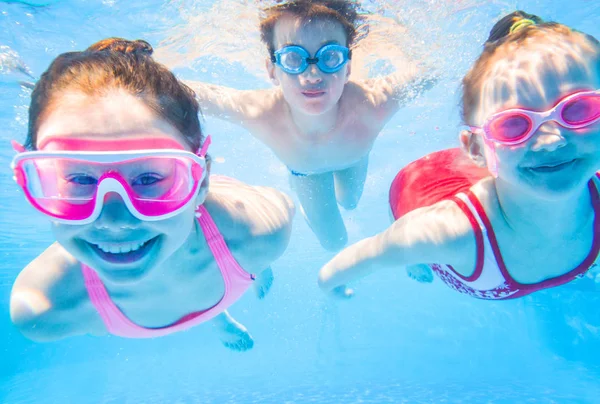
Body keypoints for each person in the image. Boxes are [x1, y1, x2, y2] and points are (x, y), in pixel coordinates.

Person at [9, 38, 295, 351]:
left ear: (200, 182)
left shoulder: (259, 234)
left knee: (248, 256)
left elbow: (282, 204)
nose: (114, 221)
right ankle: (218, 316)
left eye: (148, 177)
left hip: (225, 246)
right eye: (78, 178)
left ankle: (235, 290)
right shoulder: (44, 310)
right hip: (217, 260)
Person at [318, 11, 600, 300]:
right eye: (513, 124)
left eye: (579, 109)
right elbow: (343, 266)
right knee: (414, 254)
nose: (551, 141)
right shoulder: (443, 234)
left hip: (501, 166)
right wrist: (332, 286)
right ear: (475, 148)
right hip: (420, 186)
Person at [185, 0, 436, 251]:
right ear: (272, 71)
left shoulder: (372, 104)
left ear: (348, 68)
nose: (313, 75)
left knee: (350, 201)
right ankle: (306, 207)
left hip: (355, 160)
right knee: (334, 241)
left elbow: (430, 69)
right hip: (306, 173)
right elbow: (190, 93)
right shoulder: (260, 112)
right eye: (294, 59)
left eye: (330, 57)